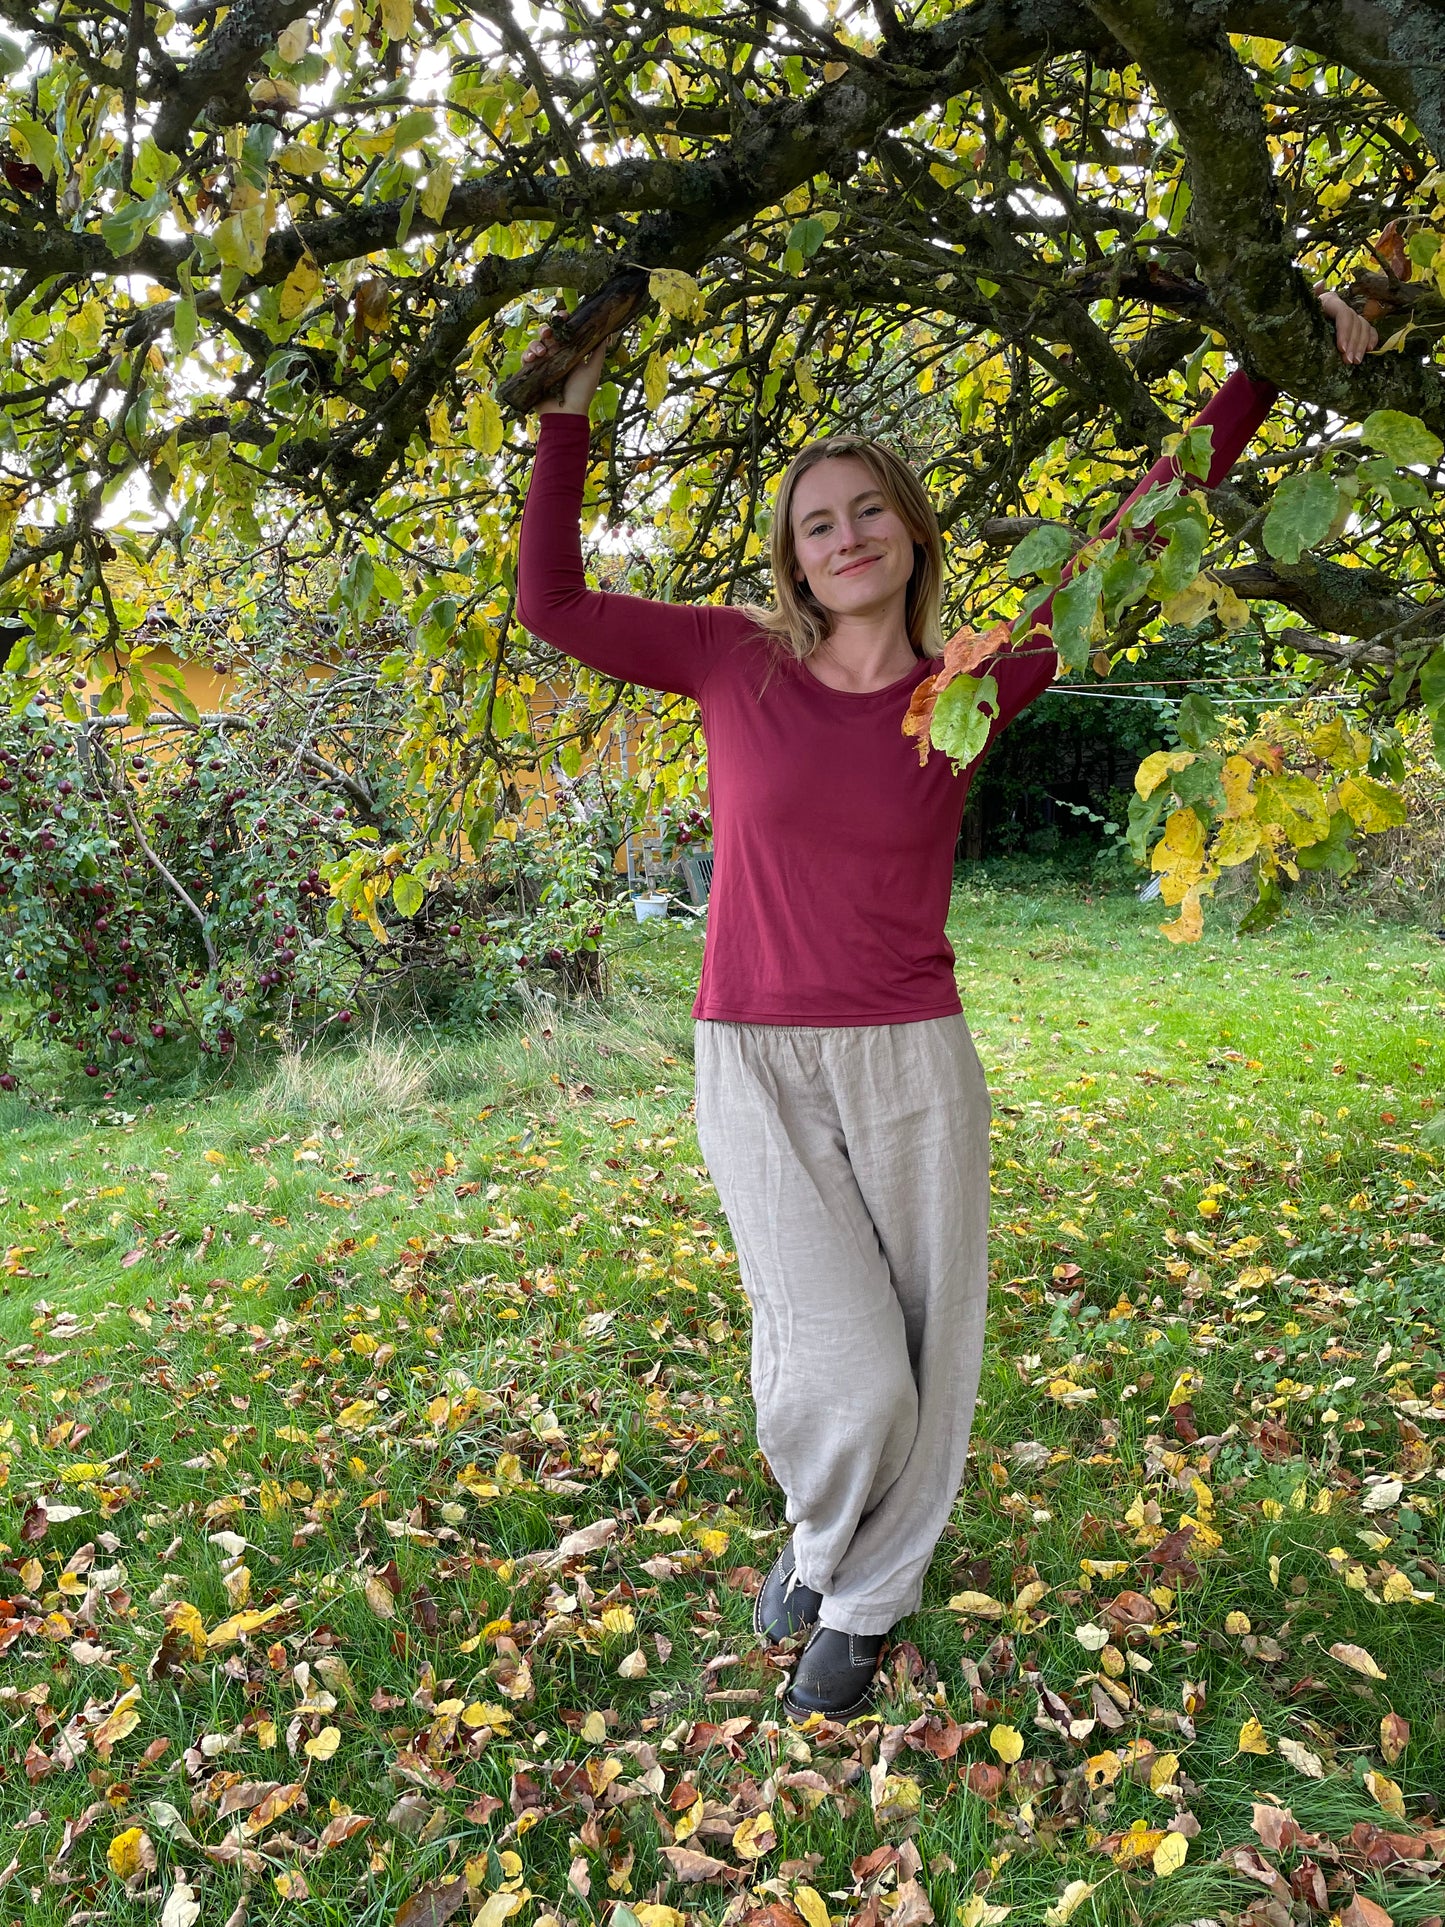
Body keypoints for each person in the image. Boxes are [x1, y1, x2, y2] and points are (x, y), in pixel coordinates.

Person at [514, 289, 1375, 1721]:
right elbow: (549, 603)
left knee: (929, 1347)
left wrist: (1266, 371)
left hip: (912, 1060)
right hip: (755, 1058)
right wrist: (568, 409)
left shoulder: (968, 685)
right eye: (813, 522)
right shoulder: (734, 660)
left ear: (911, 531)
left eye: (866, 512)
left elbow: (1136, 542)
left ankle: (857, 1602)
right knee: (838, 1367)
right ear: (791, 556)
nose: (842, 536)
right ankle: (815, 1539)